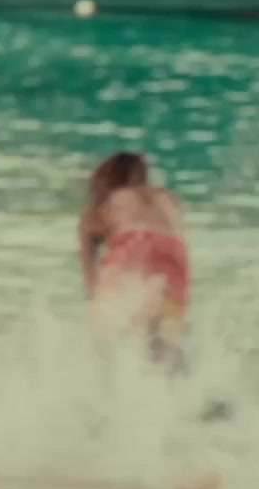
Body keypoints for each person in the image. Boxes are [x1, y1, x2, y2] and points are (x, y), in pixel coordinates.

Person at [78, 151, 191, 371]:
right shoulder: (167, 198)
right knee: (164, 334)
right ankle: (188, 379)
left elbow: (91, 278)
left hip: (135, 245)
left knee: (110, 333)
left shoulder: (107, 203)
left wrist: (96, 294)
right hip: (175, 254)